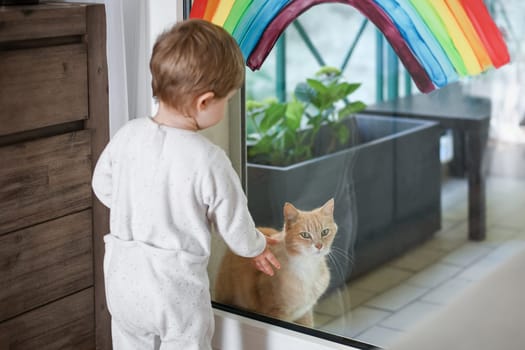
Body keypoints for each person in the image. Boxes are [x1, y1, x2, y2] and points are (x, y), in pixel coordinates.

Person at [92, 19, 280, 350]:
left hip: (122, 279)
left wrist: (140, 208)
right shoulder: (209, 159)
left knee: (129, 344)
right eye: (228, 100)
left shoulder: (128, 135)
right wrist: (256, 247)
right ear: (204, 102)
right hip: (173, 288)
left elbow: (102, 186)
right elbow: (234, 223)